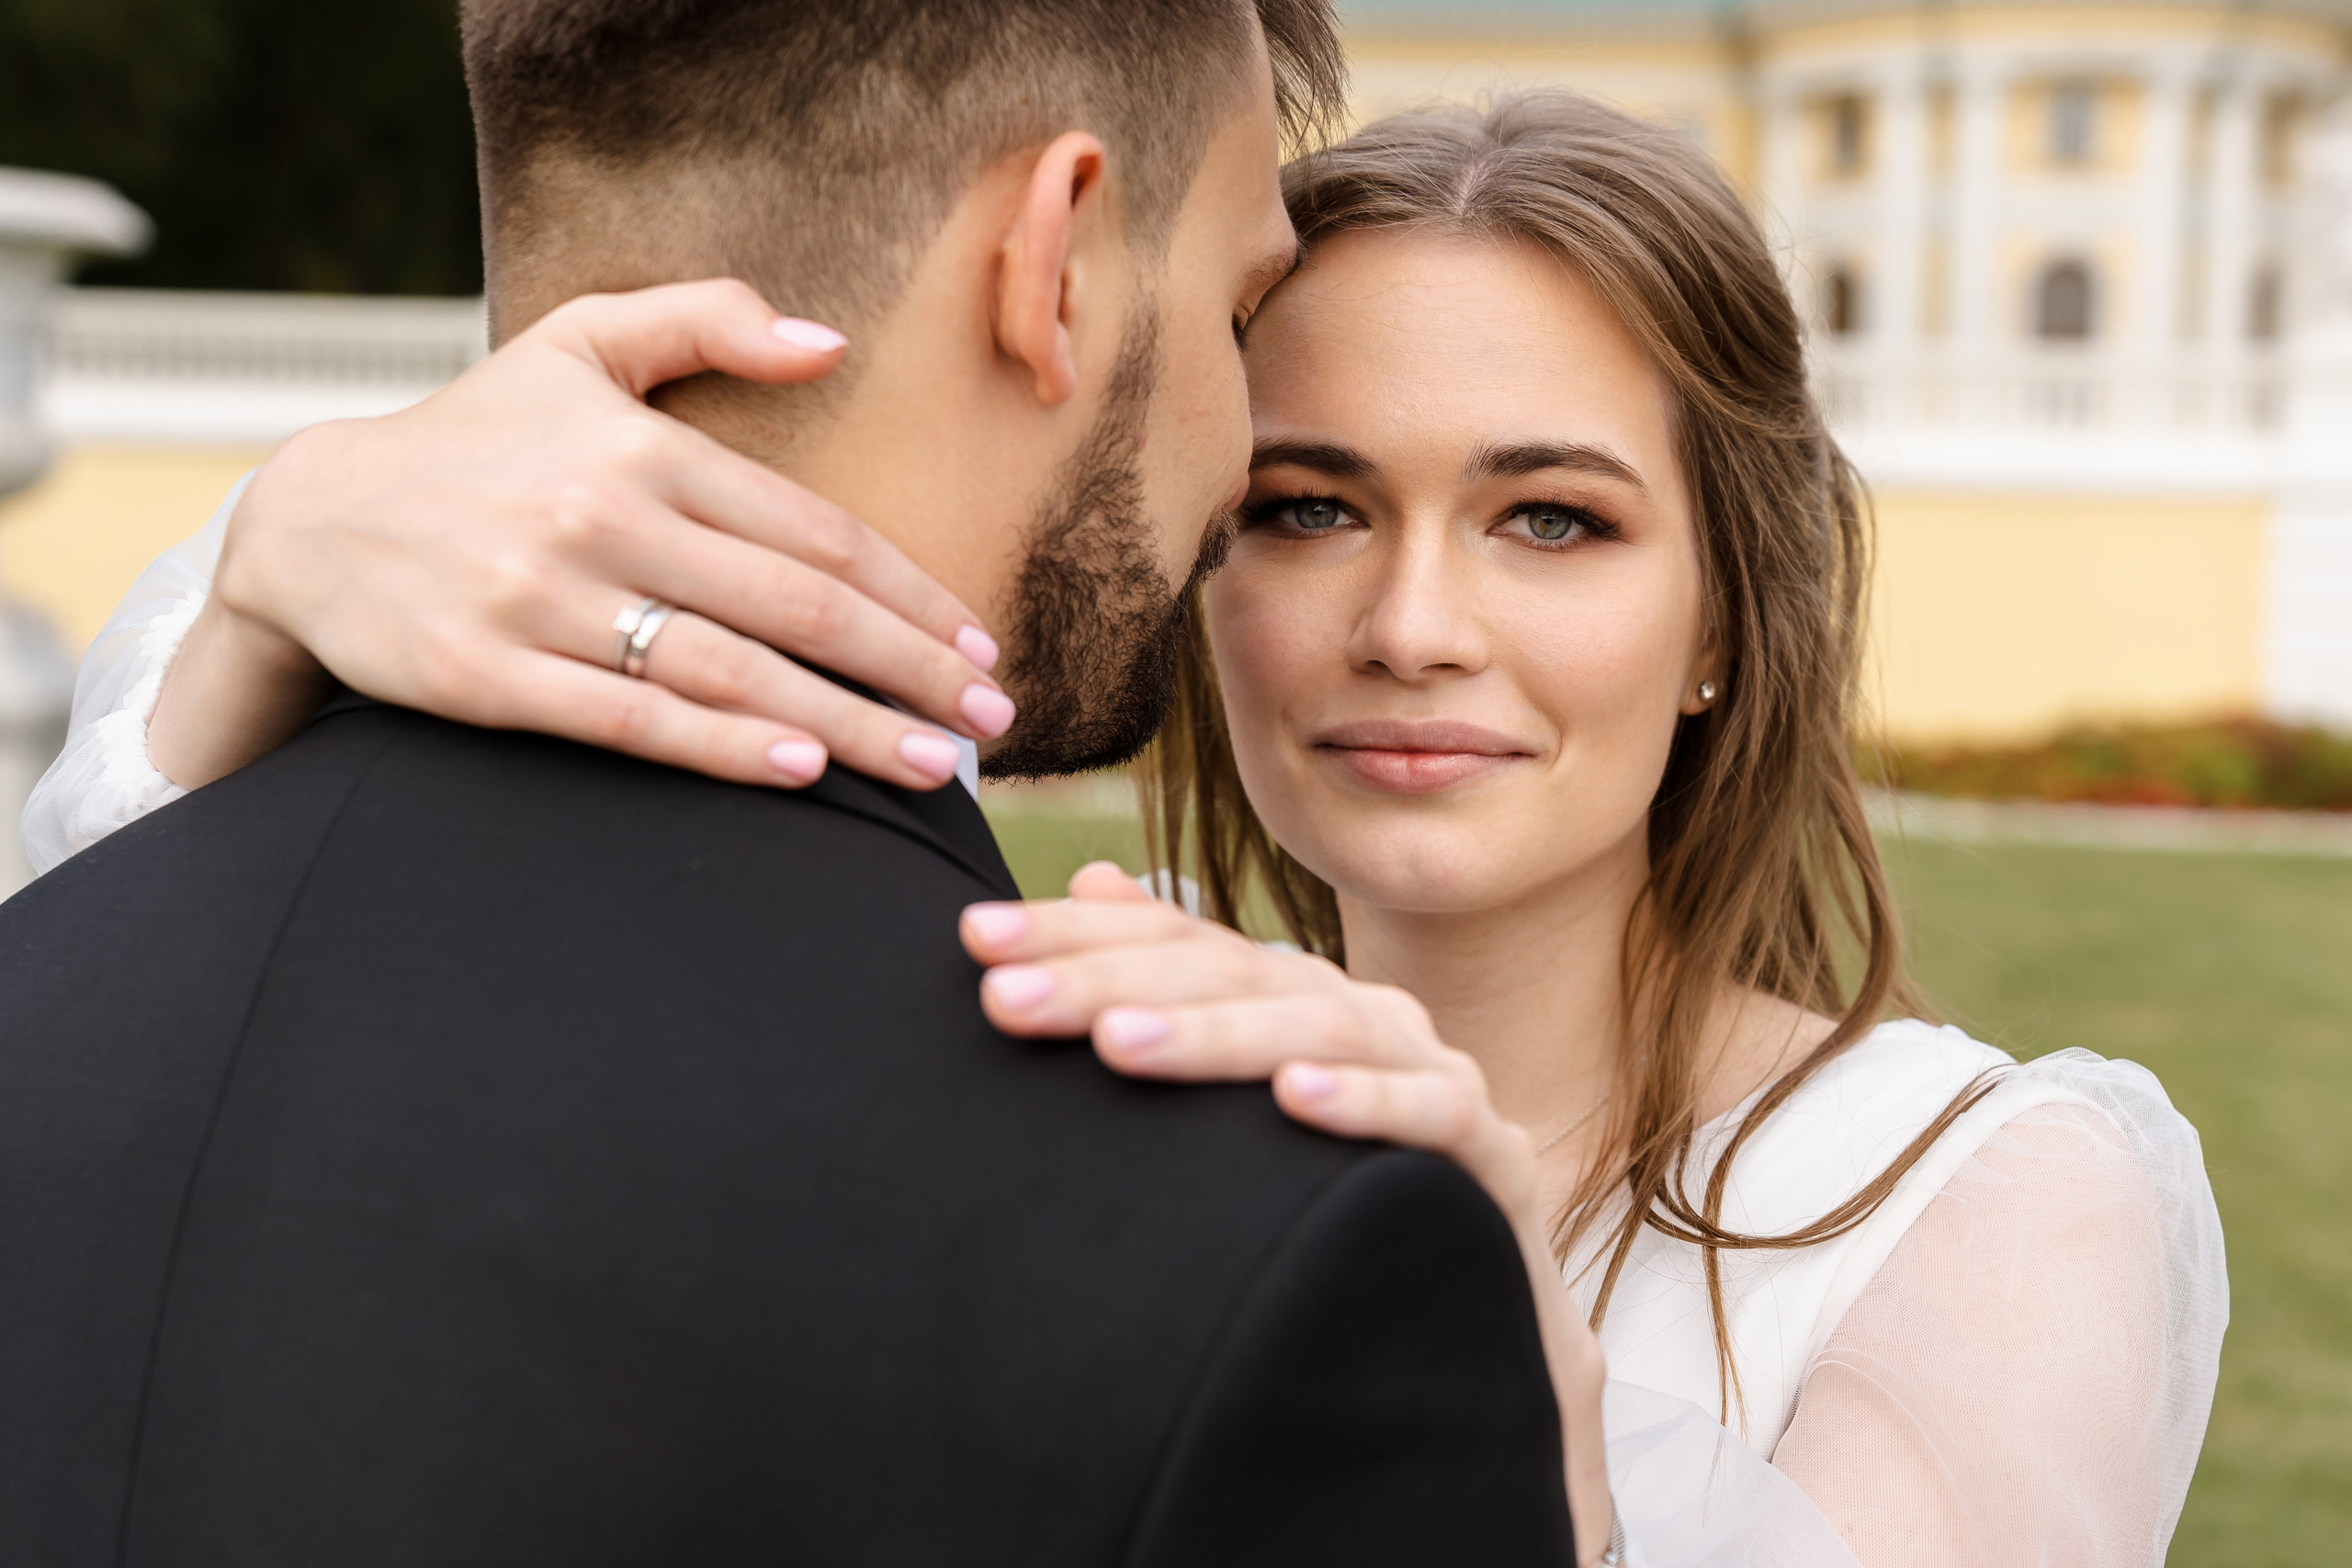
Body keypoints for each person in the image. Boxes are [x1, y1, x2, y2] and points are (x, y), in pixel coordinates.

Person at [22, 83, 2223, 1568]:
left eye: (1550, 517)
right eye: (1304, 506)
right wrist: (258, 578)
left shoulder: (2003, 1194)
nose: (1411, 625)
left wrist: (1480, 1310)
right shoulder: (1069, 989)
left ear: (1724, 609)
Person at [0, 5, 1584, 1564]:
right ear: (1053, 262)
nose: (1240, 456)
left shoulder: (59, 981)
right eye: (1239, 311)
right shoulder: (1262, 1244)